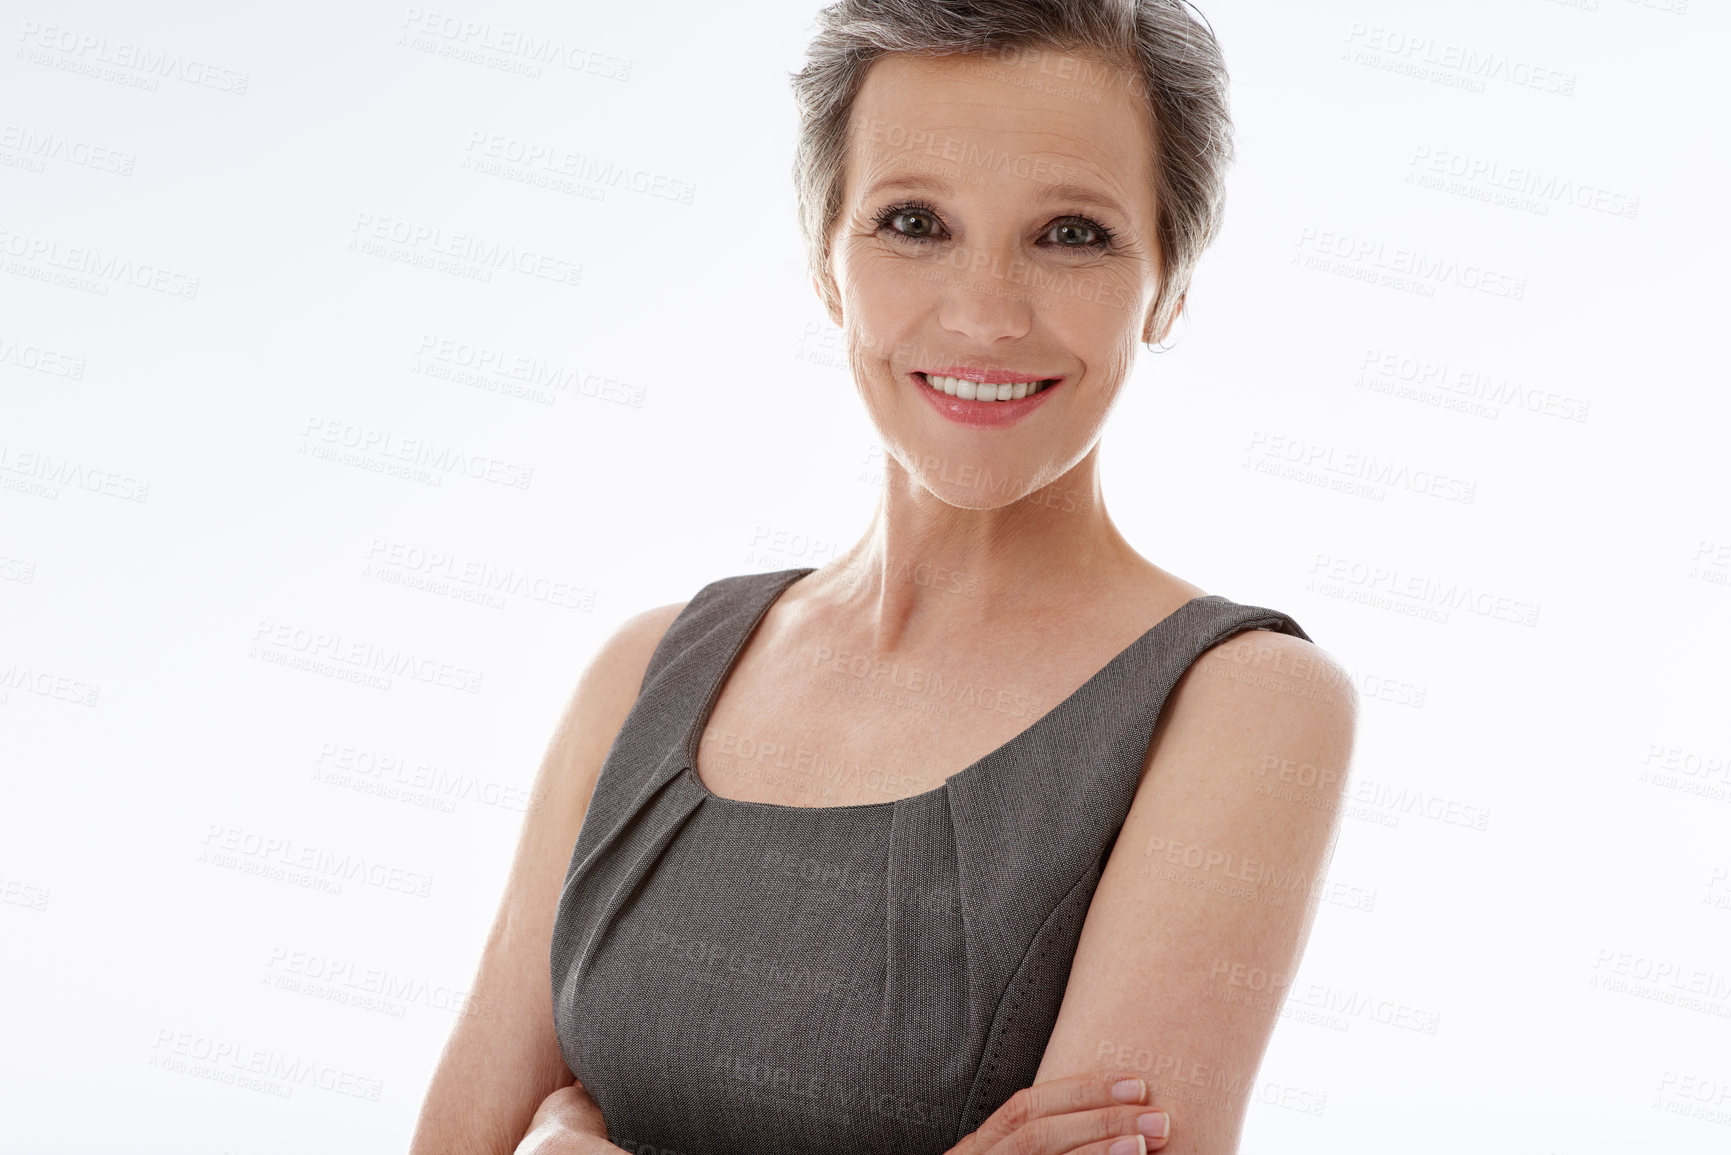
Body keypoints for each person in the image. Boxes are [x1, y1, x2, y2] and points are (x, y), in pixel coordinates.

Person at [410, 1, 1358, 1152]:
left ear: (1167, 285)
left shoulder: (1243, 703)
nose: (985, 315)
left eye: (1072, 235)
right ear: (826, 264)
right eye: (914, 222)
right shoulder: (645, 674)